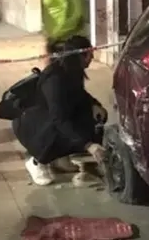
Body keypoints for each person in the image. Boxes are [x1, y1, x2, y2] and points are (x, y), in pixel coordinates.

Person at [11, 35, 107, 186]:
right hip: (35, 125)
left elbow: (79, 93)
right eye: (89, 55)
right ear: (79, 56)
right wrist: (89, 145)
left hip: (52, 117)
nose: (92, 58)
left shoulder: (72, 72)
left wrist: (94, 104)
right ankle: (37, 161)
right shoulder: (55, 79)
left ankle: (59, 158)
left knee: (90, 120)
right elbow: (59, 119)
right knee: (61, 128)